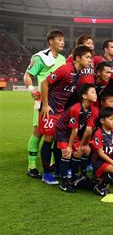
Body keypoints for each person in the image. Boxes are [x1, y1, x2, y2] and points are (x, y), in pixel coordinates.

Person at [39, 45, 92, 185]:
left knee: (59, 140)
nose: (90, 60)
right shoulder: (66, 69)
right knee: (48, 141)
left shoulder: (78, 73)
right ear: (78, 58)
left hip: (61, 111)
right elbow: (45, 83)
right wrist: (45, 105)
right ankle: (46, 174)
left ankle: (57, 169)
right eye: (87, 57)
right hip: (50, 109)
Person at [24, 29, 66, 179]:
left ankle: (53, 163)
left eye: (63, 40)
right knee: (39, 132)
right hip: (44, 102)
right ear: (50, 41)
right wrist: (31, 88)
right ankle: (32, 166)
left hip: (59, 103)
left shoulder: (63, 59)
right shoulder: (40, 57)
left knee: (55, 133)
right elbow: (28, 75)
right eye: (59, 39)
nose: (63, 42)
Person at [55, 84, 98, 192]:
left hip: (73, 133)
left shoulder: (92, 109)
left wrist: (85, 144)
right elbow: (74, 130)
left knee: (80, 152)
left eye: (95, 92)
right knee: (67, 154)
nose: (95, 94)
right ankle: (64, 182)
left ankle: (74, 178)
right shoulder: (76, 109)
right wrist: (69, 147)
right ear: (84, 96)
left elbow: (88, 129)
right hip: (63, 132)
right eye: (92, 92)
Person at [91, 107, 113, 197]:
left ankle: (101, 186)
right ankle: (99, 187)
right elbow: (100, 152)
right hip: (99, 161)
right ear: (102, 120)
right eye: (111, 119)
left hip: (109, 161)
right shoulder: (98, 132)